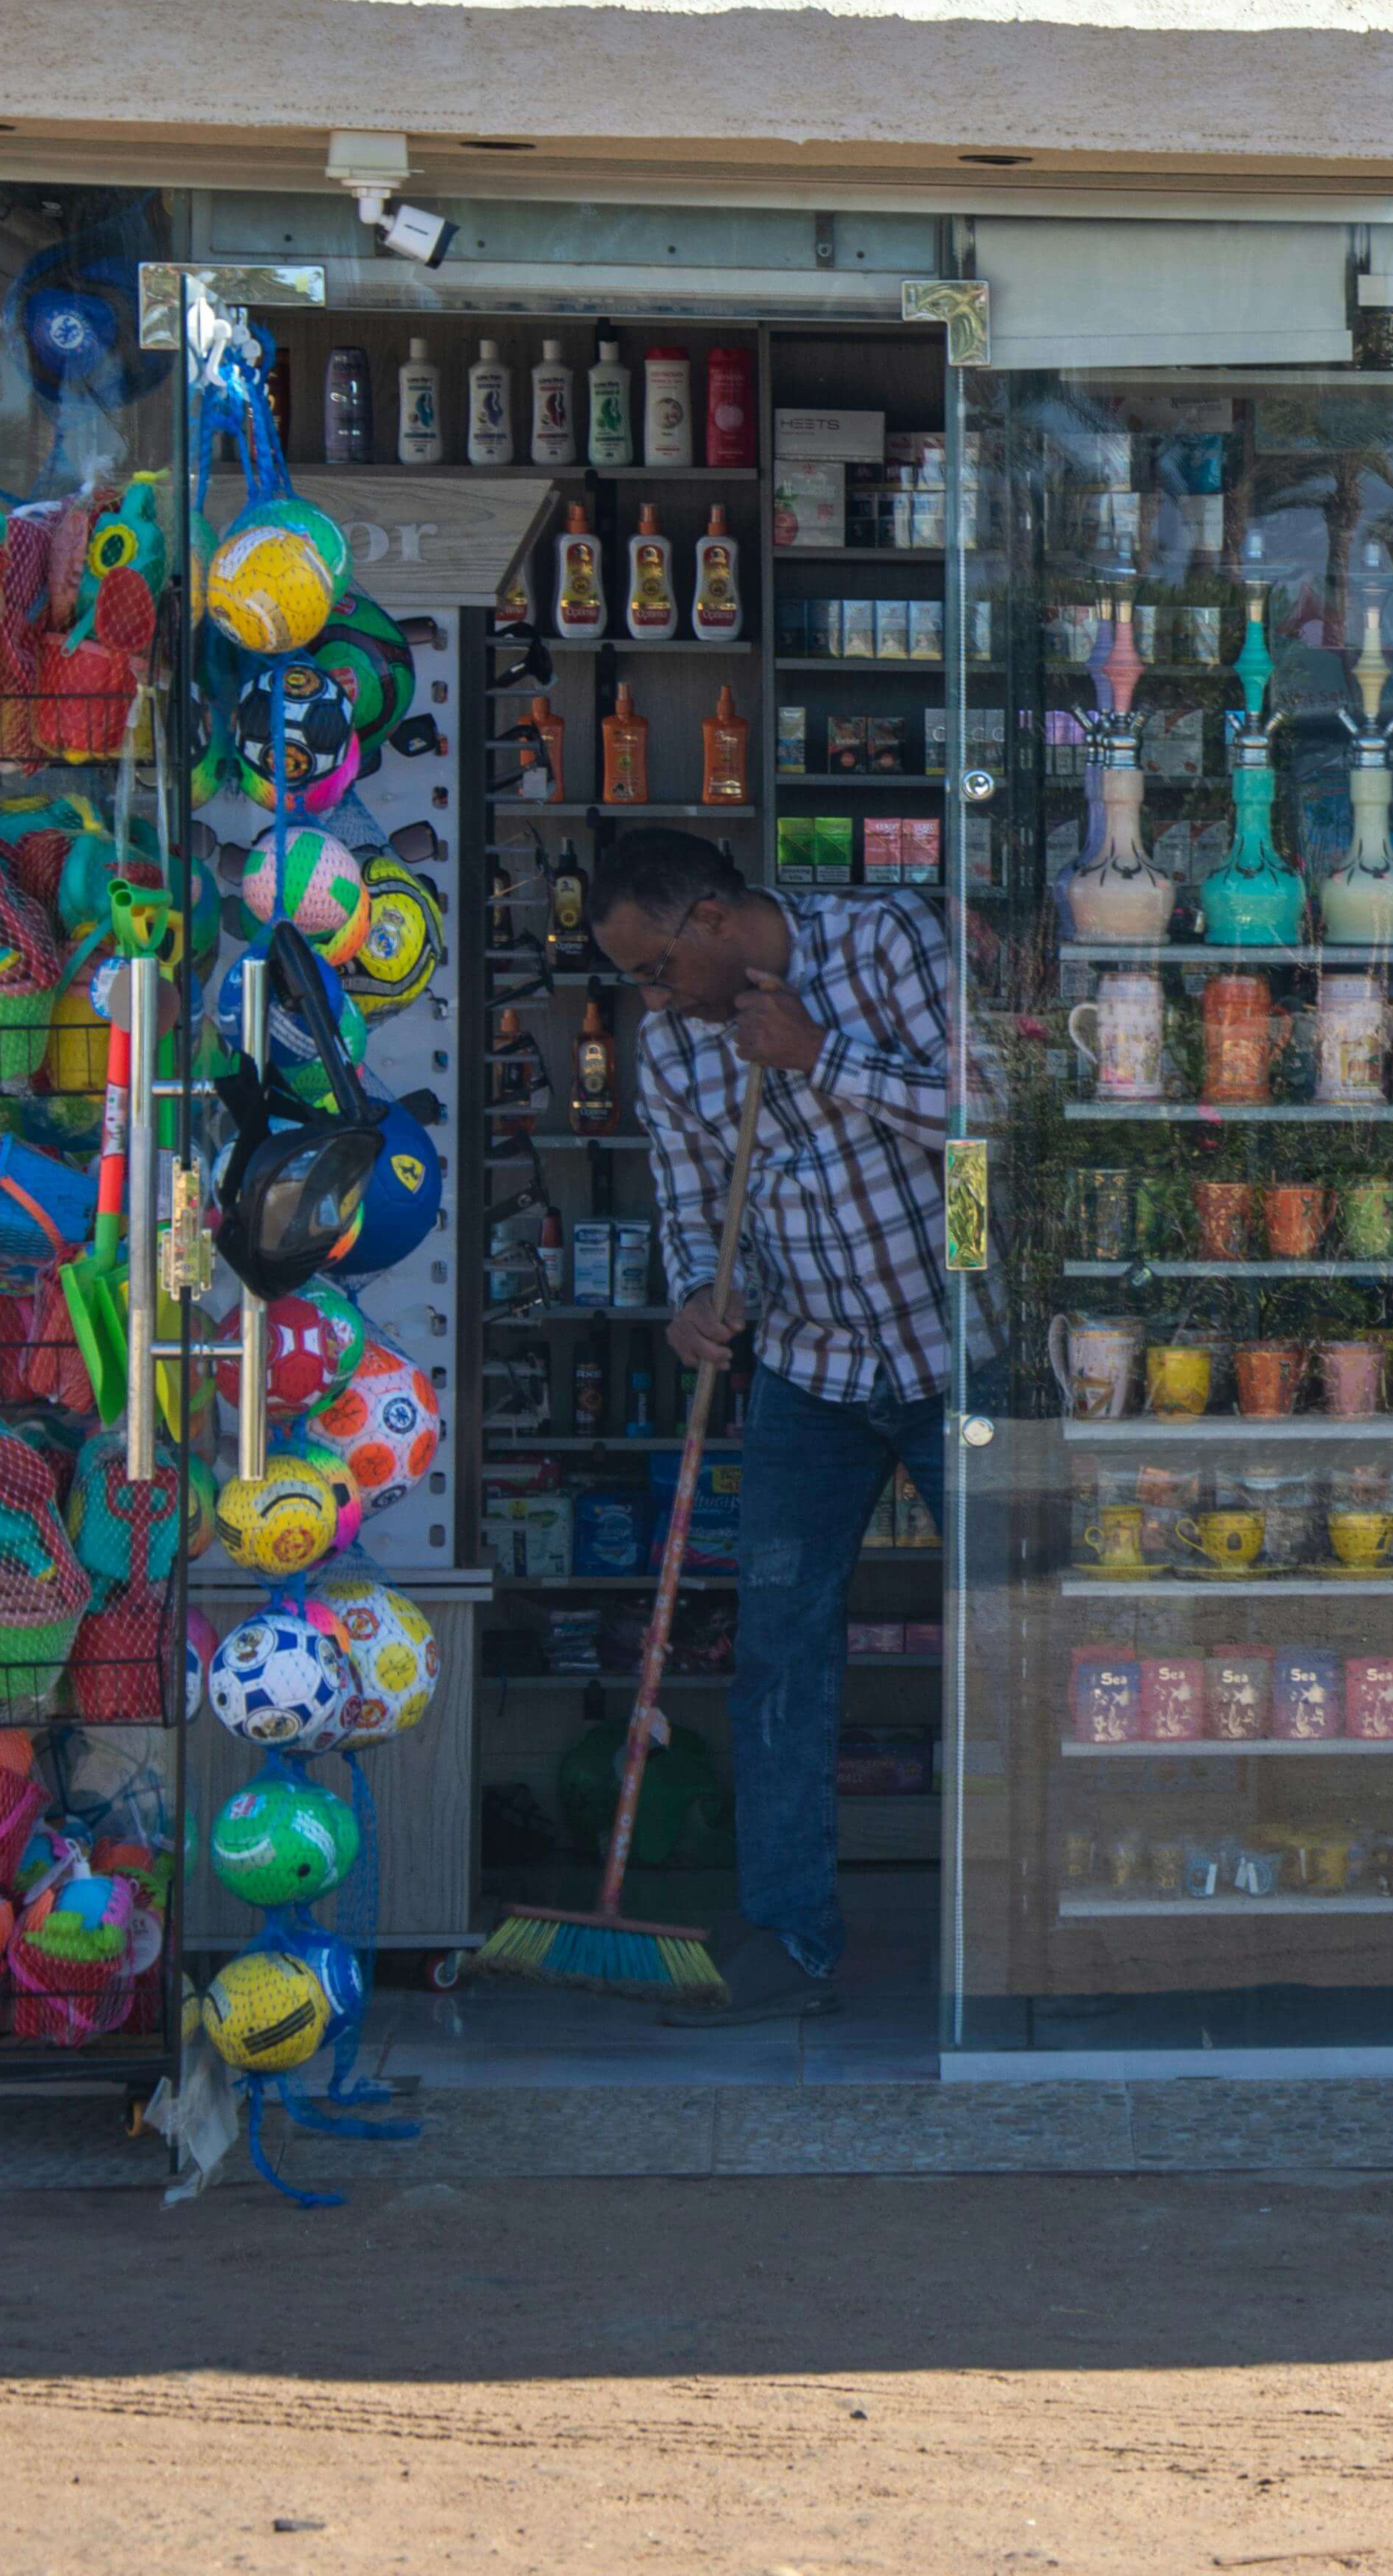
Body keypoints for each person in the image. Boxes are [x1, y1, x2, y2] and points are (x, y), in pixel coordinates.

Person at [585, 825, 956, 2027]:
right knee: (778, 1656)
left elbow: (995, 1116)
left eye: (655, 969)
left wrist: (821, 1056)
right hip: (809, 1372)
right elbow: (694, 1210)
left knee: (1017, 1646)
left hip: (961, 1356)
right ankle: (791, 1939)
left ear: (710, 918)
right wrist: (702, 1296)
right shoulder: (670, 1048)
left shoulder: (882, 941)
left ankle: (1036, 1932)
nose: (652, 1001)